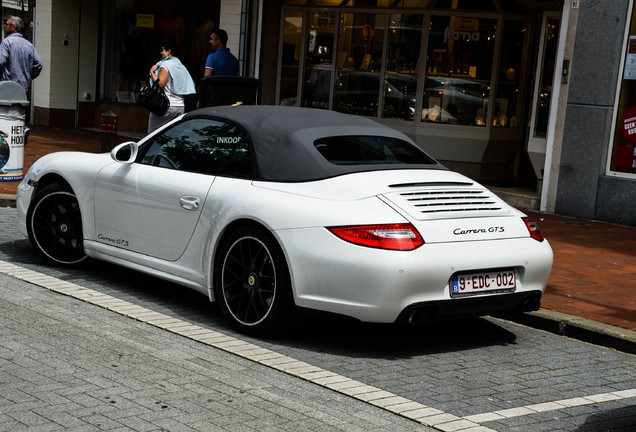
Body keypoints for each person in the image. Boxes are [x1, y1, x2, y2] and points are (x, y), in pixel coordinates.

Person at [147, 41, 196, 134]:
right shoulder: (181, 66)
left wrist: (152, 73)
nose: (161, 52)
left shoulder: (165, 65)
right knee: (171, 137)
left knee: (152, 135)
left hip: (166, 106)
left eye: (162, 50)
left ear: (169, 51)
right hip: (180, 107)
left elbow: (161, 83)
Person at [0, 16, 42, 92]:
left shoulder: (6, 42)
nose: (4, 25)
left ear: (13, 27)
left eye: (7, 24)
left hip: (7, 86)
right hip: (23, 88)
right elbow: (39, 64)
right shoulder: (29, 45)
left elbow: (1, 62)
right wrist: (28, 76)